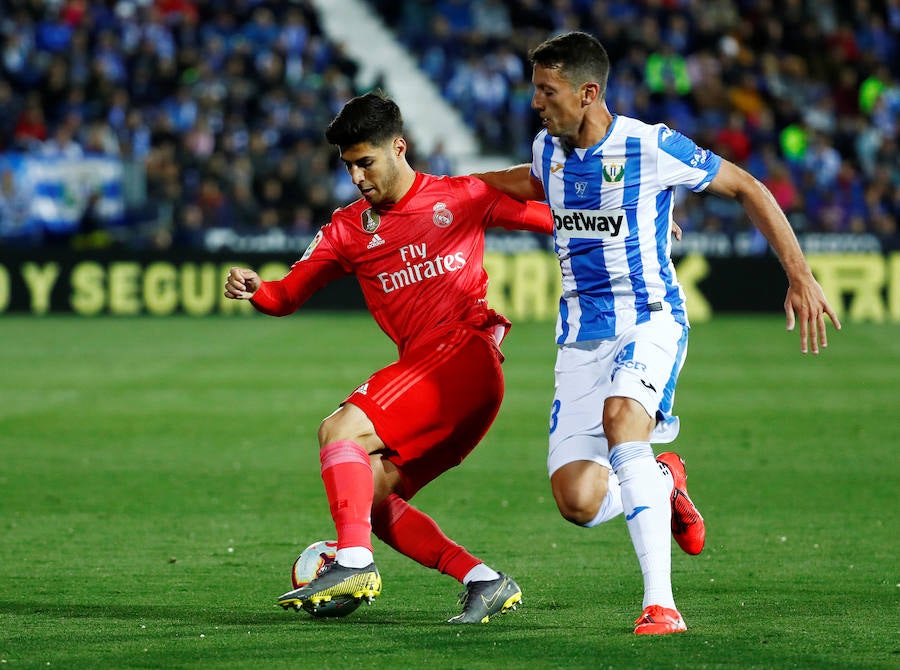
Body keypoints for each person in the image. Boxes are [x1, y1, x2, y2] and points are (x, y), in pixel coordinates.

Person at [474, 31, 841, 635]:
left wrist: (800, 276)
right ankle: (664, 478)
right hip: (580, 336)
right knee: (579, 502)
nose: (535, 102)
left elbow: (746, 186)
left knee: (623, 418)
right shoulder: (547, 150)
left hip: (649, 319)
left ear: (588, 93)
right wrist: (450, 188)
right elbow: (531, 183)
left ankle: (661, 605)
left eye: (547, 90)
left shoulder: (649, 145)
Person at [223, 91, 553, 623]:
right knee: (370, 498)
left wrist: (635, 224)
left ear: (399, 147)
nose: (357, 177)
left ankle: (353, 564)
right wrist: (257, 288)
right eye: (348, 166)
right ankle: (483, 580)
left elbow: (556, 219)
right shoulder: (347, 229)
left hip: (464, 354)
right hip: (450, 389)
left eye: (366, 162)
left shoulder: (461, 196)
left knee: (339, 431)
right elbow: (285, 296)